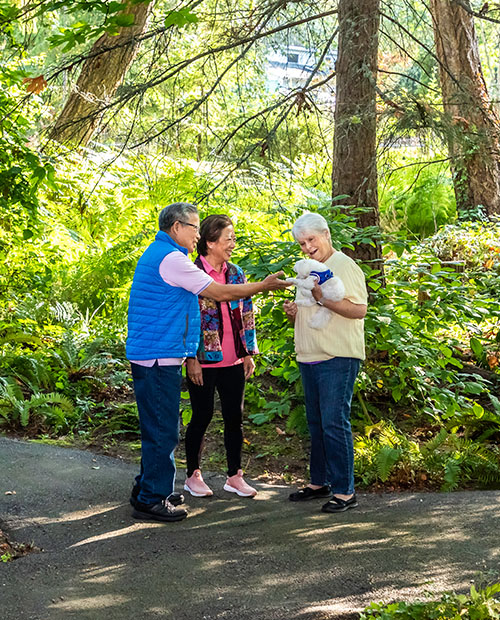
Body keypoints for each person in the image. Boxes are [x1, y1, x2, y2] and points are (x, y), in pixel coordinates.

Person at [126, 202, 289, 523]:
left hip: (155, 353)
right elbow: (219, 292)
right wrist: (264, 285)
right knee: (163, 429)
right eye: (194, 228)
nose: (197, 234)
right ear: (176, 228)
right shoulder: (172, 259)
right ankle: (150, 499)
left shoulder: (162, 255)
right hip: (157, 356)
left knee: (158, 426)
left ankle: (149, 487)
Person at [284, 212, 367, 513]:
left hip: (337, 356)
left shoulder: (345, 265)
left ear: (326, 234)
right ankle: (319, 483)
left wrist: (323, 300)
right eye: (302, 243)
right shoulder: (307, 270)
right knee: (316, 423)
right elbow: (310, 308)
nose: (306, 247)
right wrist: (295, 312)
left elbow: (359, 310)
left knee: (334, 422)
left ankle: (345, 492)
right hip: (310, 355)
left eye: (311, 240)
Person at [184, 215, 258, 499]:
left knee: (234, 418)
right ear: (210, 241)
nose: (232, 244)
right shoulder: (192, 272)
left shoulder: (236, 273)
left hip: (234, 358)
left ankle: (235, 476)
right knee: (201, 416)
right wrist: (191, 358)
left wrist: (248, 351)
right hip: (204, 359)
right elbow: (187, 318)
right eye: (228, 239)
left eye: (234, 238)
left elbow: (247, 312)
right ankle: (193, 475)